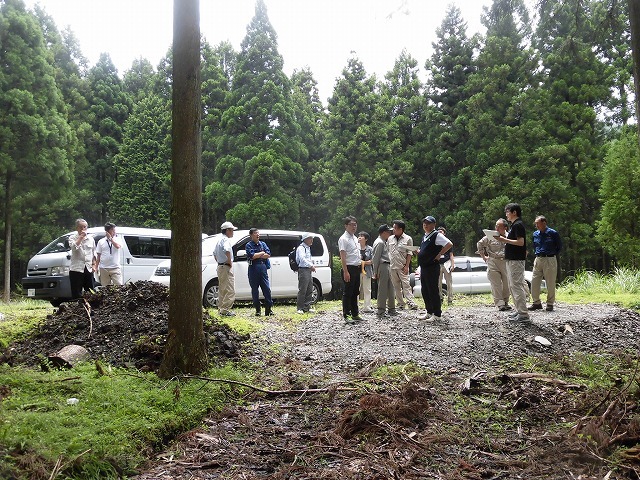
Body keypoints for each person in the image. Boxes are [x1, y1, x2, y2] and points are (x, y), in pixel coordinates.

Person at [498, 203, 530, 322]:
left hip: (516, 259)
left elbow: (520, 242)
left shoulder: (518, 225)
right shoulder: (514, 225)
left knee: (516, 285)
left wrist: (503, 239)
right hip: (512, 259)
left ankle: (523, 314)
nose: (506, 214)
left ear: (514, 212)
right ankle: (519, 310)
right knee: (513, 285)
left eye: (507, 211)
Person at [417, 216, 453, 321]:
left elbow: (449, 244)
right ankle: (429, 311)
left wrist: (440, 253)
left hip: (432, 266)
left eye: (428, 223)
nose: (425, 225)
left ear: (434, 225)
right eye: (424, 223)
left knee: (433, 289)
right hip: (424, 266)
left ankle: (437, 314)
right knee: (425, 290)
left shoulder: (437, 235)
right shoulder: (425, 236)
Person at [528, 215, 562, 312]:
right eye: (535, 224)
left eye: (537, 223)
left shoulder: (553, 233)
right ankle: (536, 302)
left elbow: (559, 246)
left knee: (550, 282)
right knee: (534, 281)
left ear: (544, 223)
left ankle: (550, 304)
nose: (536, 226)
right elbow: (535, 245)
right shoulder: (535, 234)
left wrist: (551, 254)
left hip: (549, 259)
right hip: (538, 259)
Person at [477, 219, 511, 311]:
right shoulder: (490, 236)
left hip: (505, 261)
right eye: (496, 226)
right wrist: (483, 256)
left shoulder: (509, 236)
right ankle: (500, 303)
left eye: (499, 226)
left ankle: (506, 301)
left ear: (505, 227)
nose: (497, 228)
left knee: (507, 283)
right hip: (493, 261)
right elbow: (480, 244)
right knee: (496, 283)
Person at [387, 220, 418, 310]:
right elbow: (388, 251)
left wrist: (407, 266)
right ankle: (400, 303)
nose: (393, 230)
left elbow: (409, 253)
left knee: (406, 285)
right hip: (392, 266)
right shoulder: (390, 239)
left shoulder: (408, 239)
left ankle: (411, 302)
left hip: (402, 265)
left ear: (401, 229)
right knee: (396, 286)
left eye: (395, 228)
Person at [338, 216, 362, 324]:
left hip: (357, 267)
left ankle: (355, 313)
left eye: (355, 224)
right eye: (352, 224)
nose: (354, 227)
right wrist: (346, 271)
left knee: (355, 292)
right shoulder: (343, 239)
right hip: (349, 267)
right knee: (348, 292)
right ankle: (346, 314)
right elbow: (343, 256)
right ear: (346, 226)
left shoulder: (355, 238)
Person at [245, 228, 274, 316]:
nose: (258, 235)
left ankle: (268, 308)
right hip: (253, 267)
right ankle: (258, 309)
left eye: (258, 233)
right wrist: (261, 253)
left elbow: (268, 254)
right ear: (251, 235)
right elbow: (252, 256)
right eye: (255, 233)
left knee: (266, 288)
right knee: (254, 289)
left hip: (262, 267)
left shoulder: (263, 244)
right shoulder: (248, 245)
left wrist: (258, 254)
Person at [372, 224, 397, 318]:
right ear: (383, 232)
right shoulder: (380, 242)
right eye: (388, 232)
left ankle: (392, 308)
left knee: (391, 288)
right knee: (382, 289)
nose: (390, 234)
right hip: (382, 266)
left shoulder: (383, 241)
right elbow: (376, 258)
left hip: (387, 265)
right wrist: (375, 271)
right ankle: (380, 310)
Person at [213, 221, 238, 316]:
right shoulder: (226, 240)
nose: (233, 232)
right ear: (227, 230)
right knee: (230, 290)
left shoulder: (219, 240)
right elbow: (227, 250)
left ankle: (221, 309)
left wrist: (220, 262)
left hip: (220, 266)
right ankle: (225, 310)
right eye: (231, 230)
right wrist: (229, 261)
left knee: (222, 289)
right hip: (225, 266)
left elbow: (214, 254)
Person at [68, 218, 97, 299]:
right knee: (76, 293)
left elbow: (93, 252)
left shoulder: (91, 239)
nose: (83, 229)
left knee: (91, 291)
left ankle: (91, 308)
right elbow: (74, 248)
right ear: (77, 228)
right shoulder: (72, 238)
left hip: (88, 268)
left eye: (85, 227)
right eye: (81, 227)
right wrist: (80, 237)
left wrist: (94, 265)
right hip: (76, 269)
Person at [95, 222, 123, 287]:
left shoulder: (118, 239)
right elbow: (98, 255)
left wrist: (111, 239)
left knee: (119, 286)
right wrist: (96, 267)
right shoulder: (101, 241)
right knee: (105, 288)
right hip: (103, 268)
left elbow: (118, 246)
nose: (114, 232)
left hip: (115, 267)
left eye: (114, 230)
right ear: (107, 231)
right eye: (112, 230)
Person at [296, 232, 316, 314]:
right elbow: (302, 259)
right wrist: (311, 265)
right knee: (303, 289)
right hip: (303, 269)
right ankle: (300, 308)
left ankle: (307, 306)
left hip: (308, 269)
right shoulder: (301, 248)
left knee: (309, 288)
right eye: (310, 238)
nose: (311, 240)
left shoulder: (307, 248)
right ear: (305, 239)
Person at [437, 226, 454, 305]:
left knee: (449, 282)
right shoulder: (436, 242)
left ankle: (450, 299)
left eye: (441, 231)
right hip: (438, 264)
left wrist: (453, 264)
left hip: (446, 263)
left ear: (444, 233)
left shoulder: (448, 242)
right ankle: (440, 298)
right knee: (438, 283)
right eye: (438, 231)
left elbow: (451, 255)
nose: (440, 232)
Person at [357, 231, 374, 313]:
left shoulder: (370, 249)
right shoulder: (355, 248)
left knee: (367, 289)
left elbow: (373, 260)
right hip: (356, 271)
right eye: (359, 236)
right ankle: (355, 306)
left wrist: (363, 262)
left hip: (367, 271)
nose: (359, 237)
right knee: (356, 289)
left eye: (362, 236)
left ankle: (367, 306)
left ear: (366, 239)